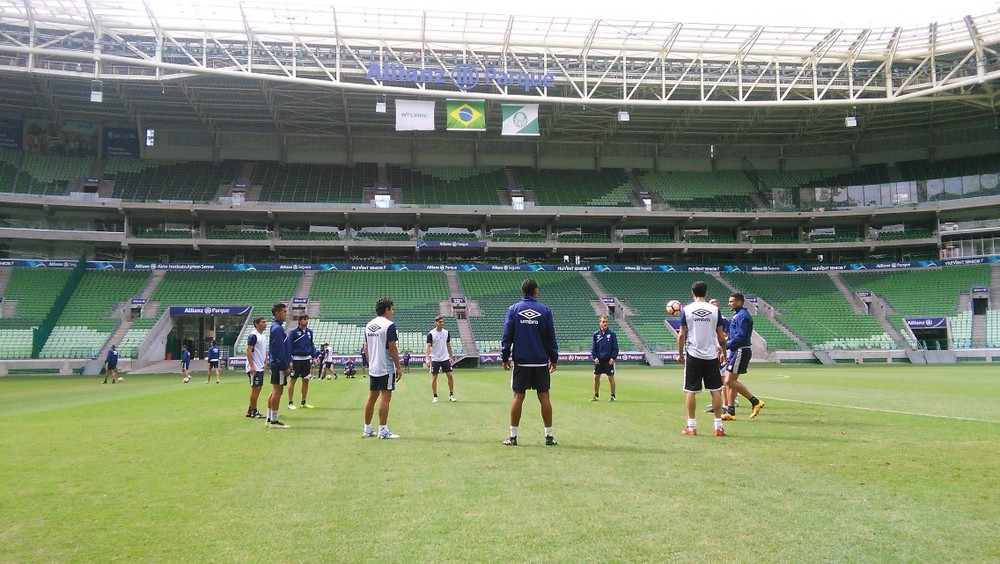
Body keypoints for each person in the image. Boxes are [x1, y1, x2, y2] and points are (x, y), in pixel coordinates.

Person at [500, 278, 559, 446]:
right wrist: (553, 358)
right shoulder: (545, 310)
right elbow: (551, 337)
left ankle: (513, 437)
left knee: (518, 396)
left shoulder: (513, 310)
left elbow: (507, 336)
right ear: (535, 291)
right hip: (540, 361)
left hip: (521, 361)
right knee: (544, 396)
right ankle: (549, 437)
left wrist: (505, 357)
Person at [676, 280, 727, 437]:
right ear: (706, 293)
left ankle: (691, 427)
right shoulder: (715, 310)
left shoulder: (687, 310)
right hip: (711, 355)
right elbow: (721, 335)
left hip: (694, 354)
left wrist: (680, 354)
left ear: (692, 293)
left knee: (691, 391)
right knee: (716, 390)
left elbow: (681, 334)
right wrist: (724, 352)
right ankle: (718, 427)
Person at [362, 298, 404, 440]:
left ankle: (367, 429)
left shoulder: (369, 325)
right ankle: (383, 430)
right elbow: (393, 348)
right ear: (387, 309)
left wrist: (371, 363)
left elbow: (366, 347)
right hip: (385, 367)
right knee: (385, 397)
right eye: (392, 309)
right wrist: (398, 367)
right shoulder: (389, 326)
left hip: (374, 367)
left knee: (372, 397)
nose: (393, 312)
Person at [721, 292, 764, 420]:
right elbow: (736, 334)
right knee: (729, 382)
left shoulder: (742, 316)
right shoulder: (738, 315)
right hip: (736, 350)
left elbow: (741, 335)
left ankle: (755, 401)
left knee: (729, 381)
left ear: (739, 302)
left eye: (731, 301)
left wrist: (727, 345)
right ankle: (730, 412)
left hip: (740, 350)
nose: (729, 303)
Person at [705, 298, 737, 413]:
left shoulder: (724, 321)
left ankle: (727, 404)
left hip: (723, 351)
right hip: (712, 351)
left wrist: (721, 347)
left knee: (724, 379)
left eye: (716, 306)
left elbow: (728, 336)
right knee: (715, 379)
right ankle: (717, 403)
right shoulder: (708, 320)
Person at [265, 303, 291, 429]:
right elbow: (279, 350)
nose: (286, 314)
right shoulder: (278, 328)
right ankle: (274, 421)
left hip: (275, 363)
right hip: (279, 364)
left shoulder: (275, 326)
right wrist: (285, 366)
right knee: (277, 391)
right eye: (284, 312)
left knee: (274, 390)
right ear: (277, 313)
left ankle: (269, 418)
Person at [286, 314, 318, 410]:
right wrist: (290, 360)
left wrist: (314, 357)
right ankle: (290, 402)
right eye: (304, 319)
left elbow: (311, 345)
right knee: (293, 380)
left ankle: (303, 402)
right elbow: (289, 346)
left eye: (307, 319)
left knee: (306, 380)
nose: (306, 321)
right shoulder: (293, 332)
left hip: (306, 360)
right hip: (296, 359)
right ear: (299, 321)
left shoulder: (309, 332)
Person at [425, 316, 456, 403]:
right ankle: (435, 396)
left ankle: (451, 394)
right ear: (435, 323)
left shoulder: (446, 332)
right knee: (434, 377)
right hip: (435, 358)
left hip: (445, 358)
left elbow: (448, 344)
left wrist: (451, 356)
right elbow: (428, 346)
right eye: (440, 322)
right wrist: (427, 358)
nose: (442, 323)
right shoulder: (431, 334)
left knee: (450, 375)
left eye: (442, 322)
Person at [590, 315, 619, 402]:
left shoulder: (612, 334)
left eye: (606, 322)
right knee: (596, 377)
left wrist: (613, 358)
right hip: (599, 360)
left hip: (608, 360)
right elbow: (593, 348)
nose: (605, 323)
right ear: (600, 323)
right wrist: (595, 357)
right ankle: (596, 395)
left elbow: (615, 348)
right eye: (603, 322)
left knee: (611, 377)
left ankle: (613, 395)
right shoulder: (596, 335)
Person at [244, 317, 267, 419]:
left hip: (260, 366)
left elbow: (264, 350)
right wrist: (252, 366)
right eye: (263, 322)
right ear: (256, 324)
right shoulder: (253, 336)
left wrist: (265, 361)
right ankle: (254, 411)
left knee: (259, 388)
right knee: (255, 388)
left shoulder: (263, 336)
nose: (265, 324)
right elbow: (249, 350)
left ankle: (250, 410)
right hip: (254, 367)